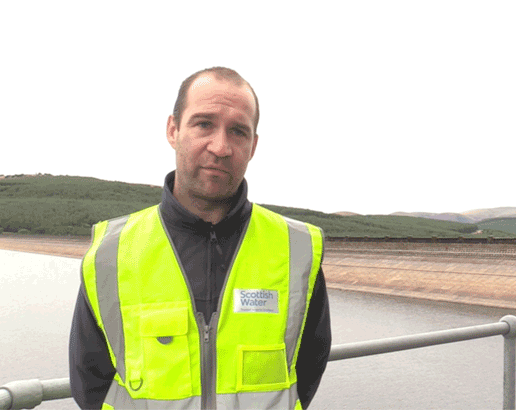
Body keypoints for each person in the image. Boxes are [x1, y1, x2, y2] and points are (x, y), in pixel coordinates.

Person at [69, 66, 331, 410]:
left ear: (252, 146)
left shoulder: (295, 249)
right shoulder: (112, 252)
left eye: (238, 131)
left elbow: (308, 366)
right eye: (204, 124)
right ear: (173, 130)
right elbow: (90, 381)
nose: (221, 147)